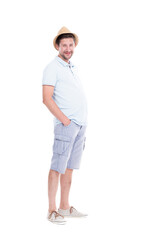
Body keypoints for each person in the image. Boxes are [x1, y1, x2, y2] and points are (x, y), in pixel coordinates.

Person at [42, 27, 88, 224]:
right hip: (66, 125)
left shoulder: (71, 67)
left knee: (69, 168)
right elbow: (46, 98)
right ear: (58, 47)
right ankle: (52, 210)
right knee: (57, 167)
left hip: (80, 126)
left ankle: (64, 206)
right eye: (64, 45)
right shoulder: (52, 67)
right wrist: (65, 120)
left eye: (70, 45)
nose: (68, 48)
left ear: (74, 46)